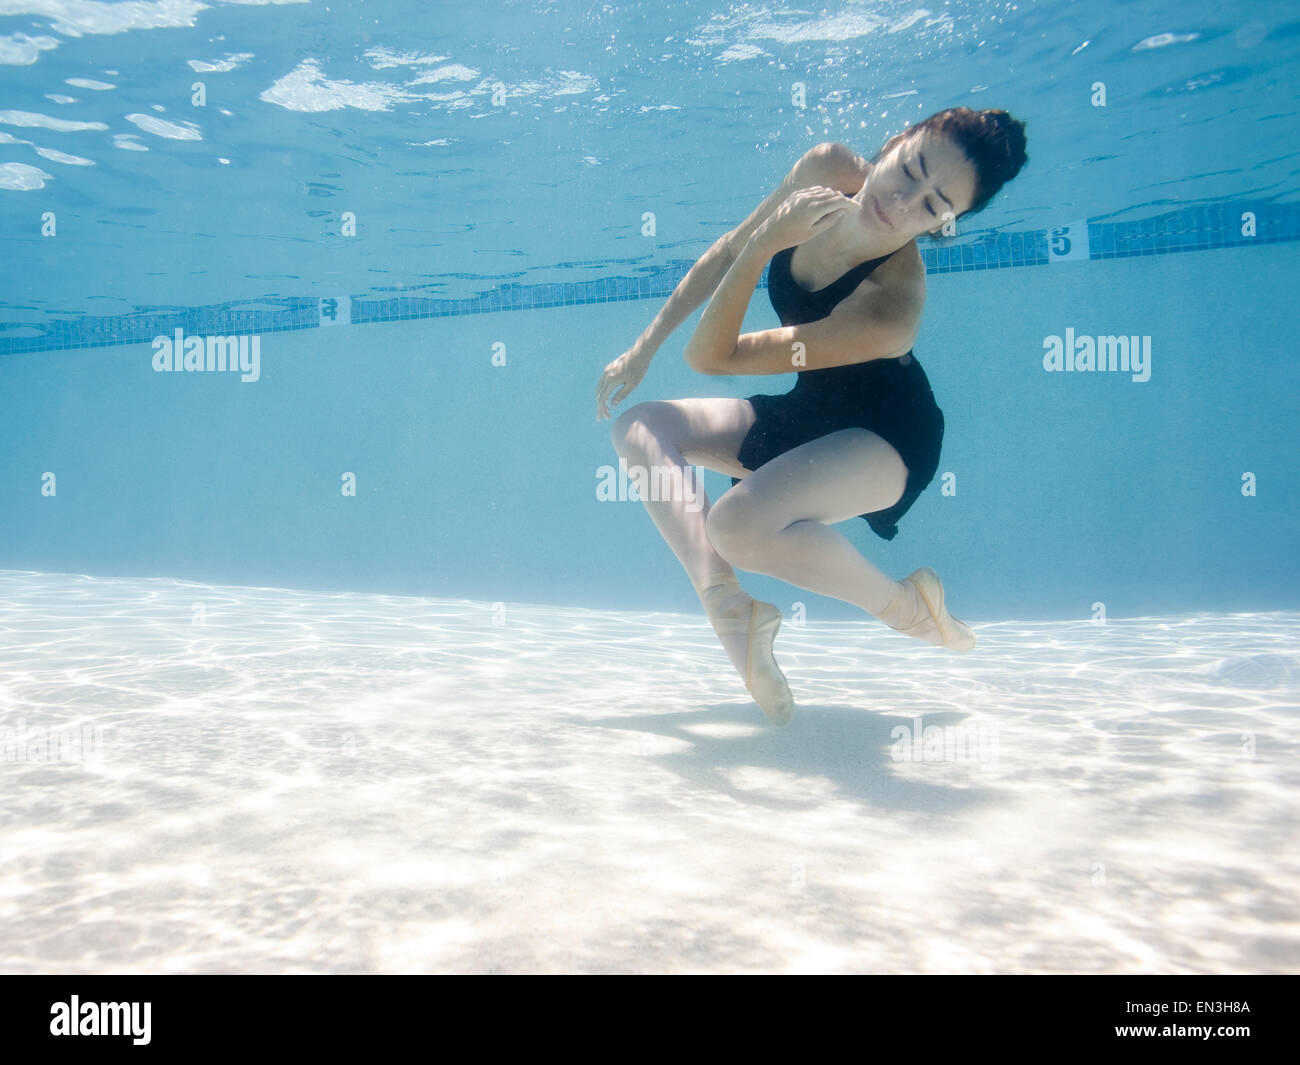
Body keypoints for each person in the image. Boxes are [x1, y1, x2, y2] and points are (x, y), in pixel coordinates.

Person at [597, 107, 1028, 725]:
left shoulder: (893, 305)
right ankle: (728, 608)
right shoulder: (826, 168)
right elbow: (726, 251)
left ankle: (906, 607)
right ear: (895, 142)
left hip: (887, 436)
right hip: (810, 407)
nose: (903, 204)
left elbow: (711, 355)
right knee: (637, 429)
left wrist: (768, 243)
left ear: (946, 224)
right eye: (910, 170)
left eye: (933, 207)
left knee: (737, 526)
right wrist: (641, 349)